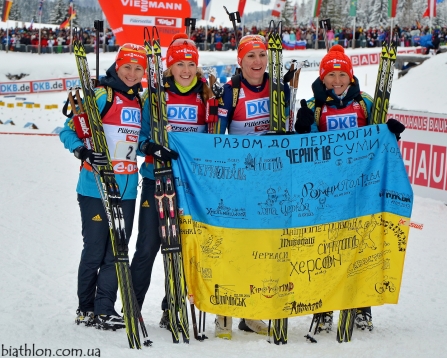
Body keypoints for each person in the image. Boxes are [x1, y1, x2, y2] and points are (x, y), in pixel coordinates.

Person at [60, 43, 175, 331]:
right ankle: (85, 307)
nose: (133, 73)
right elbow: (68, 129)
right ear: (117, 66)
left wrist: (151, 148)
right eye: (128, 67)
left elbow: (132, 144)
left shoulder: (138, 102)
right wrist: (82, 151)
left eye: (138, 69)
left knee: (117, 250)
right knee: (95, 249)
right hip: (94, 187)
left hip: (126, 189)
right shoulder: (101, 95)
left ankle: (105, 309)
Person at [294, 44, 405, 333]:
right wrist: (302, 128)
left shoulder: (365, 103)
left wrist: (391, 133)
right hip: (325, 192)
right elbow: (303, 147)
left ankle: (361, 306)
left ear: (351, 77)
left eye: (342, 74)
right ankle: (323, 308)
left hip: (360, 191)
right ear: (322, 77)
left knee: (360, 249)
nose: (337, 80)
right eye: (331, 74)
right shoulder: (313, 105)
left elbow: (381, 143)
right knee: (325, 250)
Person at [130, 33, 215, 330]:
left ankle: (172, 307)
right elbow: (139, 138)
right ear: (169, 66)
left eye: (191, 63)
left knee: (179, 249)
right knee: (148, 247)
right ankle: (133, 306)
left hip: (189, 186)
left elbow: (215, 140)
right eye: (180, 63)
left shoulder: (206, 95)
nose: (186, 70)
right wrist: (152, 147)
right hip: (157, 179)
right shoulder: (155, 96)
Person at [215, 34, 291, 339]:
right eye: (250, 56)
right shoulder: (230, 92)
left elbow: (290, 128)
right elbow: (218, 139)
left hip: (270, 181)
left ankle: (253, 312)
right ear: (240, 60)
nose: (257, 62)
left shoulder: (280, 89)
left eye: (262, 55)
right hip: (240, 181)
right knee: (234, 247)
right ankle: (225, 314)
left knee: (264, 249)